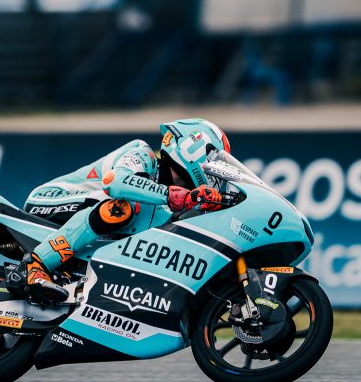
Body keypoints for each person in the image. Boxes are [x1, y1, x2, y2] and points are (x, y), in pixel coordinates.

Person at [13, 118, 231, 303]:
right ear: (193, 148)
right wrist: (174, 196)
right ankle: (35, 265)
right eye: (214, 158)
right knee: (124, 206)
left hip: (82, 221)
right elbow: (115, 182)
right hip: (48, 200)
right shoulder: (142, 154)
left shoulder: (170, 201)